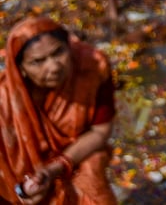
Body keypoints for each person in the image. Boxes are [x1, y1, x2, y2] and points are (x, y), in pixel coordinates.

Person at [0, 17, 118, 205]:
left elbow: (100, 131)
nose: (54, 67)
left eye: (58, 52)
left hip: (78, 154)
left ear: (69, 47)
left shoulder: (92, 67)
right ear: (20, 68)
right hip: (28, 177)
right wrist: (21, 190)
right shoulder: (5, 101)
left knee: (93, 181)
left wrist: (57, 167)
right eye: (38, 62)